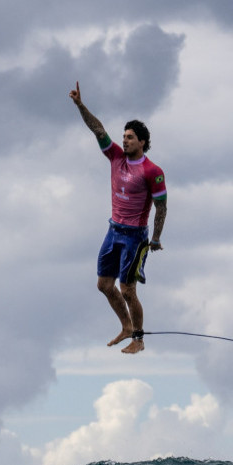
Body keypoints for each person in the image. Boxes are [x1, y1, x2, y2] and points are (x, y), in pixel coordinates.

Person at [69, 81, 167, 354]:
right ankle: (125, 326)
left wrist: (156, 238)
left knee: (127, 290)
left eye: (130, 137)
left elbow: (161, 207)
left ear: (142, 142)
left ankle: (138, 338)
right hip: (113, 231)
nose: (124, 140)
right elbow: (98, 129)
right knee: (104, 285)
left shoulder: (152, 171)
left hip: (135, 237)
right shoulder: (115, 157)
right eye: (123, 136)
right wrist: (80, 105)